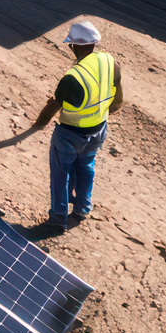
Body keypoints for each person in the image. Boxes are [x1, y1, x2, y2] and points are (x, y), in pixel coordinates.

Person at [29, 19, 122, 230]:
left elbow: (55, 104)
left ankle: (57, 220)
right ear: (93, 44)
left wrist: (39, 124)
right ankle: (82, 209)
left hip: (70, 135)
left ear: (75, 46)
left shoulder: (74, 76)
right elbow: (117, 101)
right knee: (86, 168)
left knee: (61, 175)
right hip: (98, 130)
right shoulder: (110, 61)